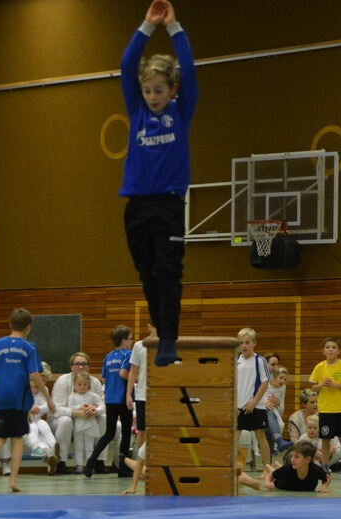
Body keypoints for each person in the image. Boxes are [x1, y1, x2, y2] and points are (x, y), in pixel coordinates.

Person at [119, 0, 198, 366]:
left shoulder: (180, 112)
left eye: (159, 91)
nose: (152, 97)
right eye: (148, 90)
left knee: (168, 271)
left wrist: (173, 27)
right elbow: (125, 64)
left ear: (172, 90)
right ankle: (159, 326)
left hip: (168, 205)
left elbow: (190, 70)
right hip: (136, 206)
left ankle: (168, 338)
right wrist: (147, 26)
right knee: (147, 273)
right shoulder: (136, 109)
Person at [0, 308, 50, 492]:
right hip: (19, 398)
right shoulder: (29, 347)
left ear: (10, 324)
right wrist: (48, 399)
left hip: (0, 397)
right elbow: (34, 373)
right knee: (17, 438)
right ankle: (13, 480)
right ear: (28, 327)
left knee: (1, 434)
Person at [85, 325, 134, 478]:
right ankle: (124, 469)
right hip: (123, 398)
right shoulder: (129, 354)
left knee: (109, 433)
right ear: (124, 340)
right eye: (131, 339)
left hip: (110, 399)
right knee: (126, 434)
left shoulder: (108, 356)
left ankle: (91, 461)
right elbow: (126, 374)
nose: (132, 342)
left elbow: (104, 378)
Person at [51, 352, 106, 474]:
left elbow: (103, 404)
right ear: (71, 366)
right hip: (61, 420)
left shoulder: (94, 382)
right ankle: (61, 462)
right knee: (66, 421)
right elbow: (56, 409)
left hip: (89, 419)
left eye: (84, 364)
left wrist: (94, 410)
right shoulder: (62, 381)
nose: (81, 367)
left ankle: (99, 461)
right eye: (77, 364)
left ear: (88, 366)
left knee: (104, 418)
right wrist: (76, 412)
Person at [309, 337, 341, 480]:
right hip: (326, 410)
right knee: (326, 440)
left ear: (338, 351)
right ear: (323, 351)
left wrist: (335, 385)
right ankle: (324, 466)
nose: (330, 349)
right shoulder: (319, 367)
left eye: (333, 347)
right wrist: (321, 384)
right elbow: (313, 387)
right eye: (328, 347)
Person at [236, 327, 271, 470]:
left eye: (247, 342)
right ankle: (237, 467)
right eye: (242, 343)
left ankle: (267, 468)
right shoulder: (236, 360)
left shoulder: (260, 360)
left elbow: (265, 382)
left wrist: (254, 401)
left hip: (256, 406)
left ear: (254, 343)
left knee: (260, 436)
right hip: (240, 406)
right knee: (235, 437)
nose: (244, 346)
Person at [126, 321, 156, 461]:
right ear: (149, 326)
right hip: (143, 394)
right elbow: (133, 371)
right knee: (142, 430)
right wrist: (128, 394)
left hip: (162, 396)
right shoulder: (139, 345)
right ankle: (138, 463)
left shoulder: (170, 345)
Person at [70, 371, 105, 475]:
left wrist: (94, 408)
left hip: (90, 424)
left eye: (85, 384)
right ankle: (79, 465)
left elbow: (102, 405)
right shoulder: (72, 396)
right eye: (79, 385)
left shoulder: (93, 396)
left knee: (90, 446)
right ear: (74, 385)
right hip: (79, 424)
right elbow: (69, 407)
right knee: (78, 445)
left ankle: (90, 465)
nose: (82, 387)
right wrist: (78, 408)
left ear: (89, 385)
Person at [262, 441, 330, 493]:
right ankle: (271, 467)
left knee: (280, 469)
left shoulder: (315, 469)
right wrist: (267, 483)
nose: (292, 459)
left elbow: (327, 477)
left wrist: (324, 486)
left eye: (296, 457)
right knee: (277, 473)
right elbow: (269, 476)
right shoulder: (288, 468)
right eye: (292, 456)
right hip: (281, 482)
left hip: (284, 473)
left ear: (307, 459)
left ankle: (277, 466)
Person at [24, 380, 59, 474]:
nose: (33, 389)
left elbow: (47, 406)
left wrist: (39, 408)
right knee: (33, 429)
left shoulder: (42, 392)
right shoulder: (23, 393)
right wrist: (29, 412)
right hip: (26, 420)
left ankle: (53, 445)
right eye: (31, 387)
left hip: (38, 418)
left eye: (36, 387)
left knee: (45, 427)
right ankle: (40, 449)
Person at [265, 366, 290, 452]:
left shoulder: (283, 387)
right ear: (274, 376)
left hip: (273, 410)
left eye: (285, 379)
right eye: (281, 378)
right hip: (260, 409)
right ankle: (278, 441)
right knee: (270, 411)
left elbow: (281, 408)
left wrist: (278, 403)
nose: (283, 381)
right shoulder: (265, 384)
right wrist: (264, 403)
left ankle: (277, 443)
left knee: (281, 424)